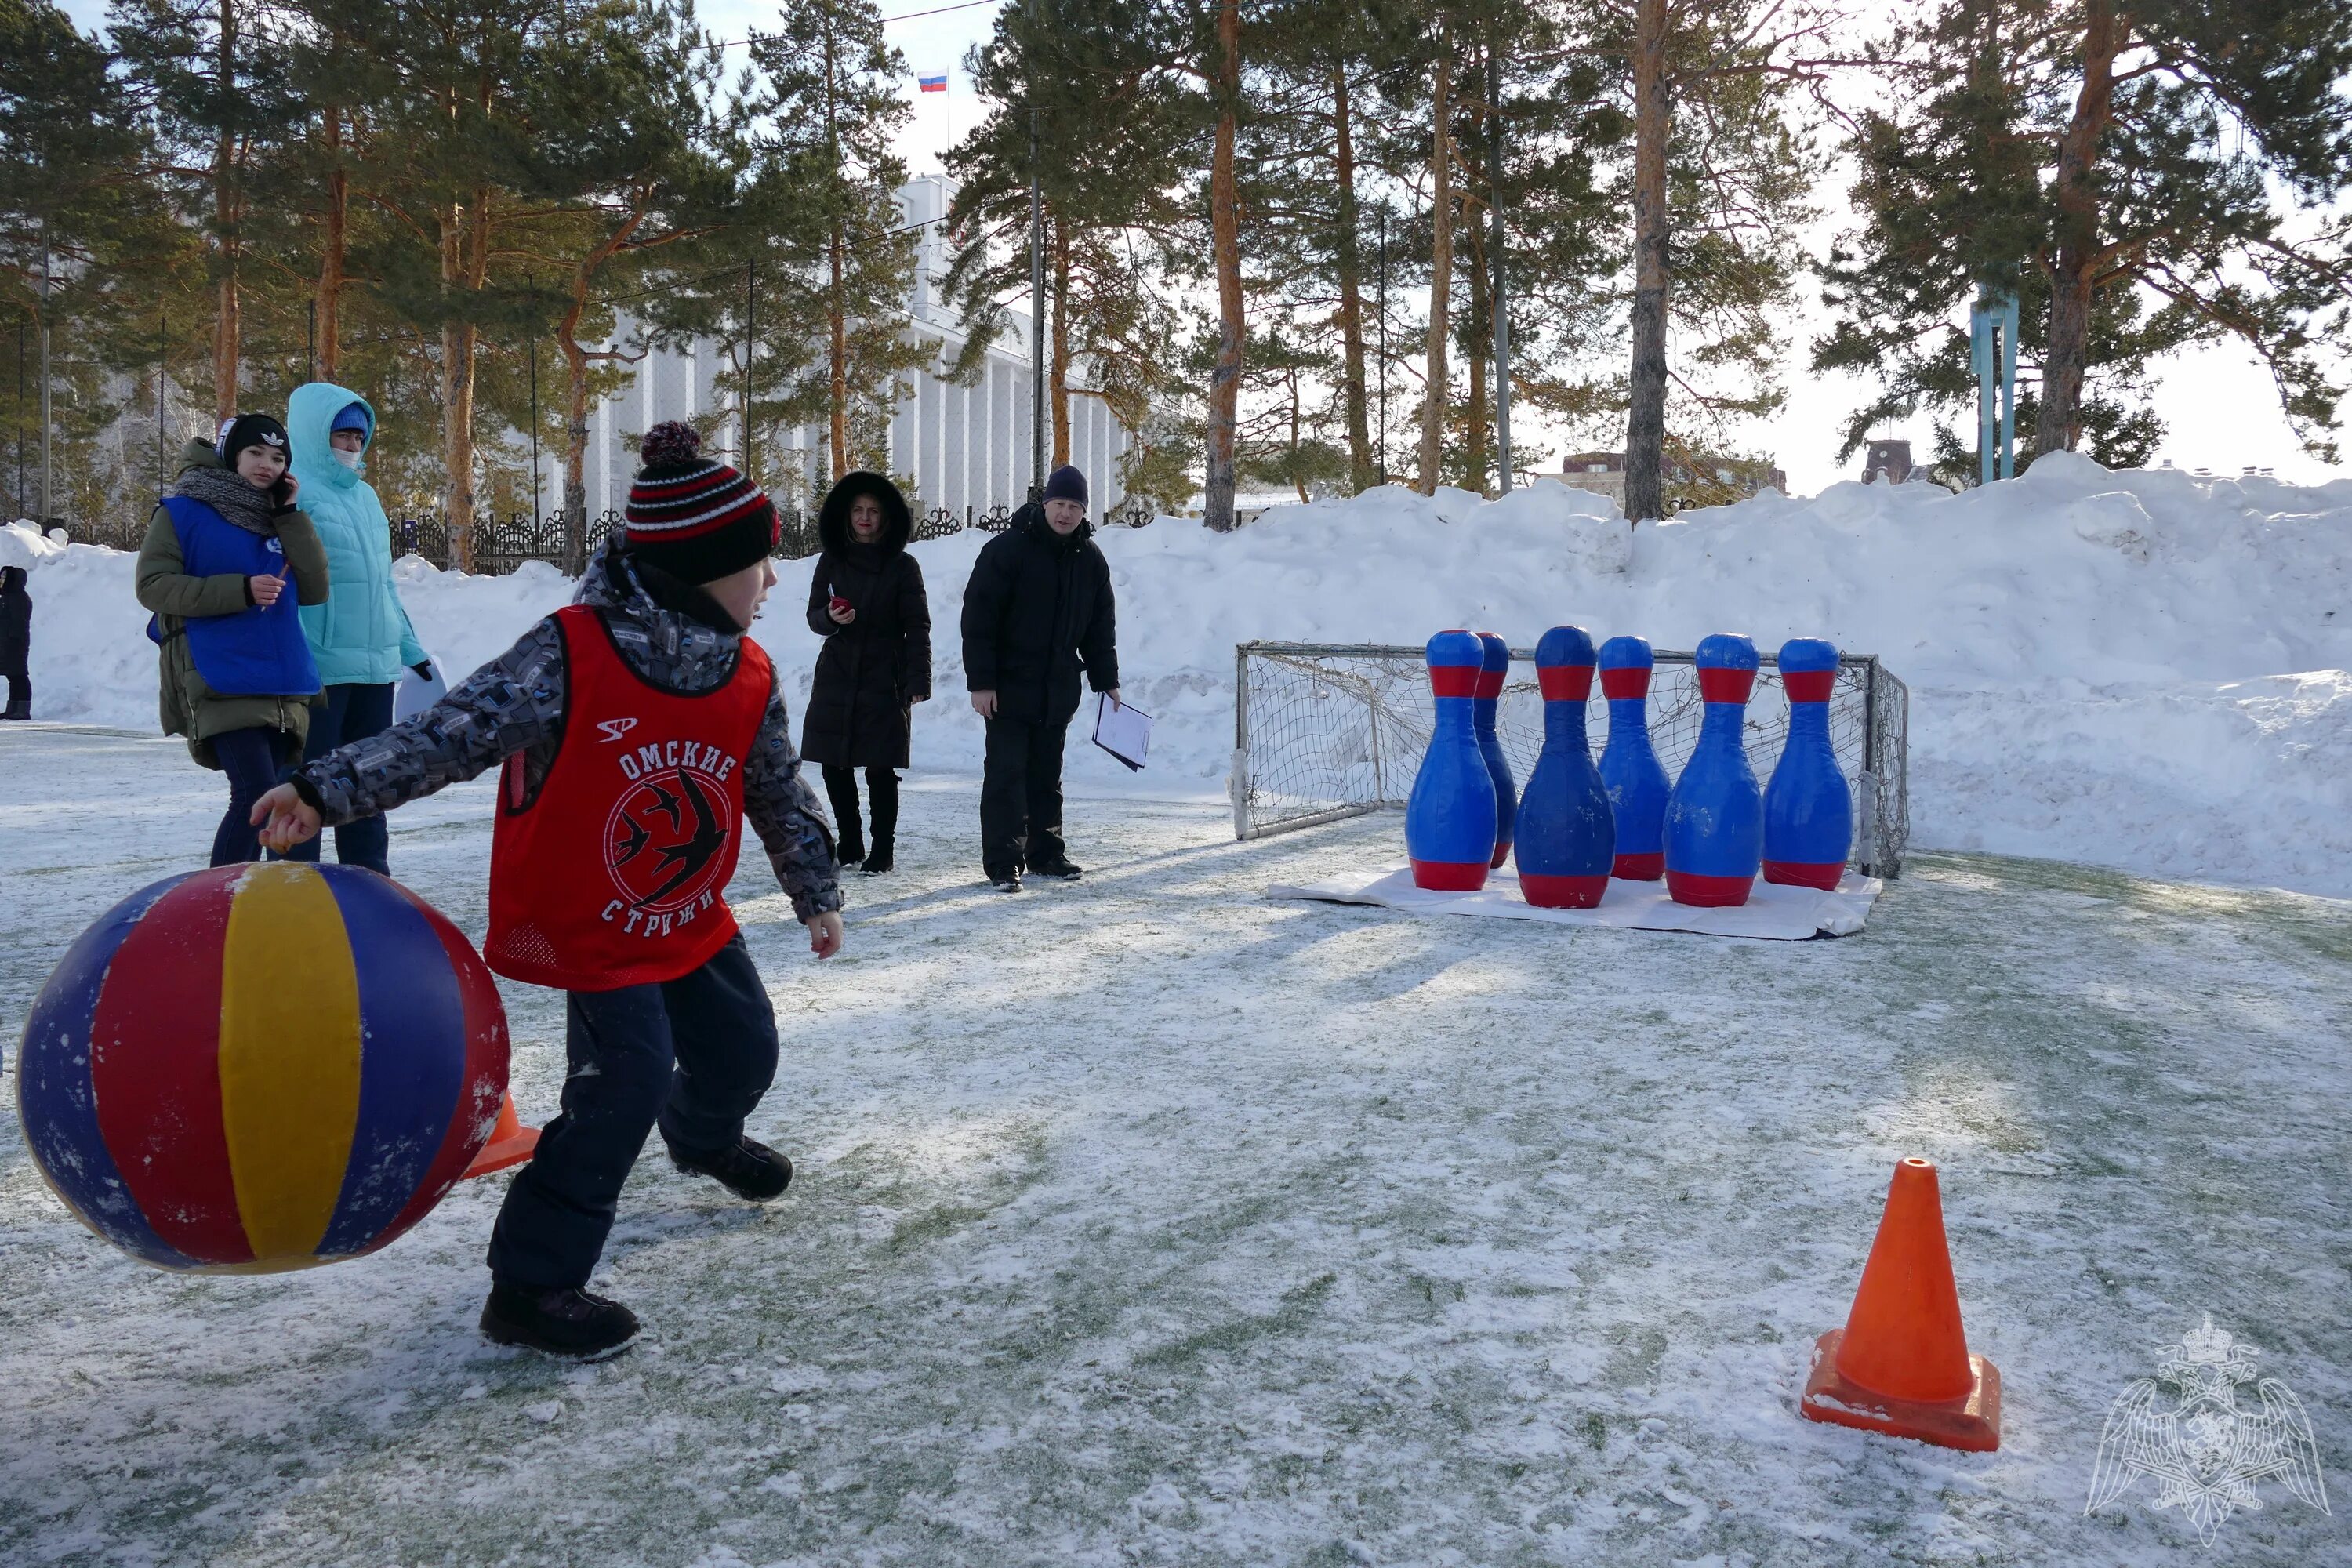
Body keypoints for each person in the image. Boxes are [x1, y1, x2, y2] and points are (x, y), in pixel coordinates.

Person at [251, 420, 844, 1361]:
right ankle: (532, 1286)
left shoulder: (749, 669)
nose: (774, 582)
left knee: (742, 1051)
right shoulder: (570, 654)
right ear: (698, 567)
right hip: (592, 923)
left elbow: (773, 784)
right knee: (625, 1085)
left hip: (688, 913)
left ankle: (703, 1134)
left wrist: (815, 886)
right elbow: (448, 731)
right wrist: (326, 788)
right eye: (759, 564)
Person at [136, 414, 329, 866]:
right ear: (230, 454)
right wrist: (240, 590)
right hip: (219, 671)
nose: (267, 465)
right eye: (255, 453)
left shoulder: (281, 518)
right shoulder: (182, 511)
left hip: (283, 676)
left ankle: (265, 904)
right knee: (254, 793)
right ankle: (222, 906)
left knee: (278, 799)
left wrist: (288, 516)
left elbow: (316, 588)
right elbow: (153, 586)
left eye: (278, 457)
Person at [278, 380, 432, 876]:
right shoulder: (290, 490)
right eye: (340, 435)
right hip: (318, 666)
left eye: (358, 439)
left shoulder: (366, 497)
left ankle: (370, 883)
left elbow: (382, 583)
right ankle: (294, 889)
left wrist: (409, 648)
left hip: (374, 666)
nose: (350, 447)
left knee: (369, 783)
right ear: (312, 432)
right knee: (308, 785)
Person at [960, 463, 1119, 891]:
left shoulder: (1091, 559)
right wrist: (982, 683)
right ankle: (1003, 863)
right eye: (1059, 503)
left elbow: (1100, 625)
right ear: (1044, 503)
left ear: (1084, 512)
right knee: (1006, 777)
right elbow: (978, 620)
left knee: (1047, 776)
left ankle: (1046, 853)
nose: (1066, 514)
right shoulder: (1006, 551)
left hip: (1057, 689)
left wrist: (1106, 679)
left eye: (1075, 506)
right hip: (1008, 689)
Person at [802, 470, 931, 875]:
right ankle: (851, 842)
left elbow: (918, 625)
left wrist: (918, 678)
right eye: (858, 509)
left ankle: (882, 849)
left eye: (873, 510)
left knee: (879, 765)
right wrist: (831, 617)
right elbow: (813, 617)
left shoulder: (904, 566)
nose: (865, 517)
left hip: (884, 674)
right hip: (837, 672)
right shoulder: (832, 560)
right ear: (846, 514)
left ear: (887, 517)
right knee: (834, 762)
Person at [0, 564, 29, 720]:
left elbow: (19, 622)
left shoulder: (19, 598)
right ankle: (12, 708)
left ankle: (23, 709)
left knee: (19, 675)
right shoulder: (7, 597)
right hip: (6, 642)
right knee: (12, 675)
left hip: (16, 642)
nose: (1, 581)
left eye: (5, 578)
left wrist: (12, 639)